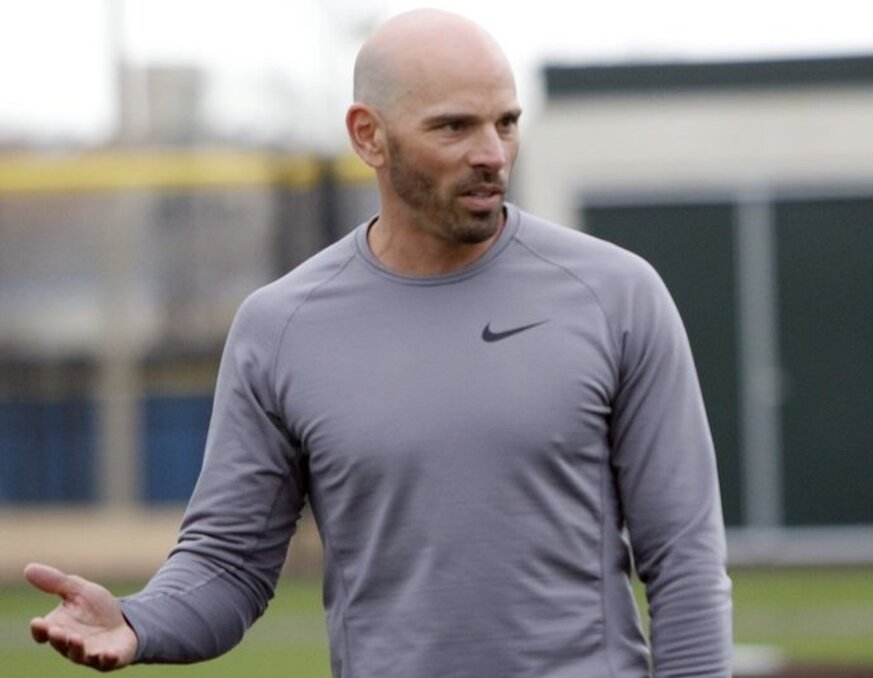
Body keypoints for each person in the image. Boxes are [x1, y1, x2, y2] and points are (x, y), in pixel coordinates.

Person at [24, 8, 733, 676]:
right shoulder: (280, 327)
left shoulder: (616, 295)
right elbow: (230, 564)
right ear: (369, 135)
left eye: (506, 122)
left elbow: (685, 557)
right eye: (454, 127)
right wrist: (139, 622)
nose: (491, 153)